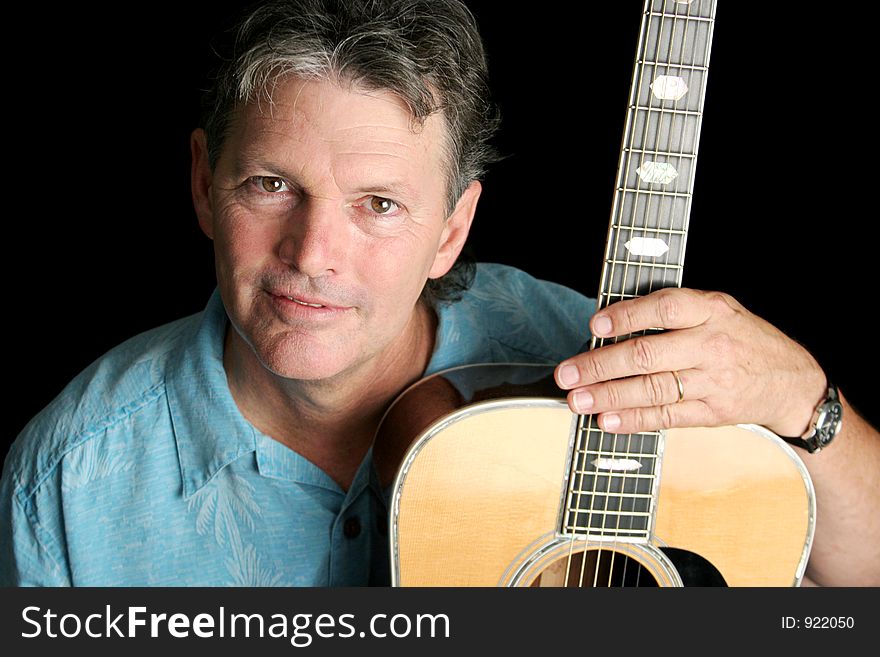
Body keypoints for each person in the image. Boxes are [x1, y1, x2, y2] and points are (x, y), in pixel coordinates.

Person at [1, 0, 877, 587]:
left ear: (452, 229)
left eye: (378, 204)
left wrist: (811, 408)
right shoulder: (70, 486)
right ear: (202, 183)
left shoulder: (600, 361)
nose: (313, 254)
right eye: (271, 185)